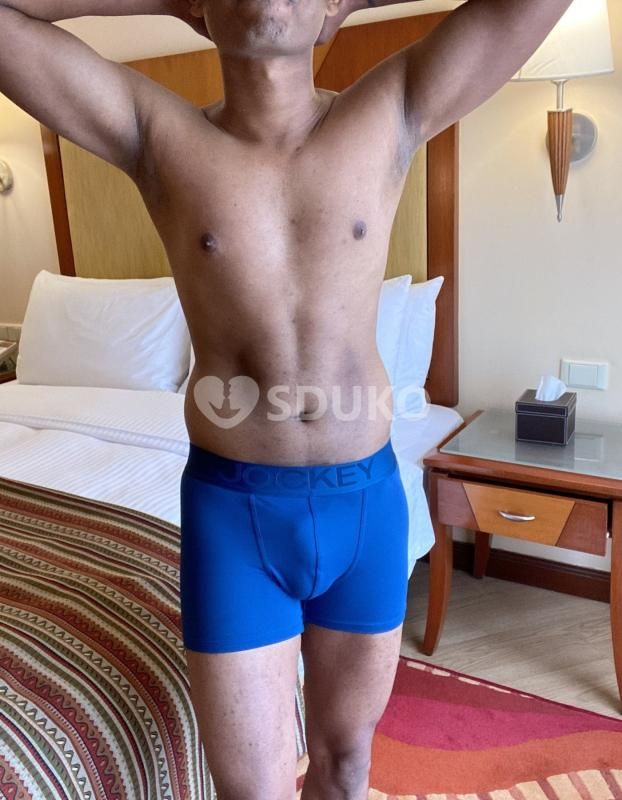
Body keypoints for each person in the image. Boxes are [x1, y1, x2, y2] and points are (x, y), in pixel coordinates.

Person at [0, 0, 574, 796]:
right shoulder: (156, 134)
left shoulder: (393, 109)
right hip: (232, 515)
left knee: (346, 766)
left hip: (366, 504)